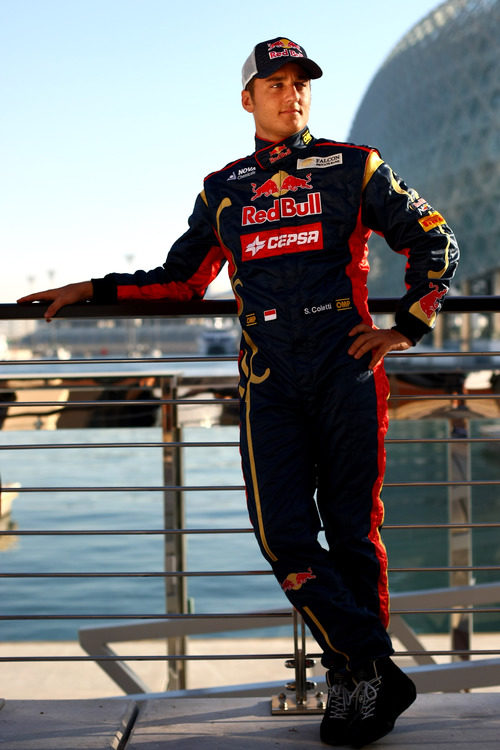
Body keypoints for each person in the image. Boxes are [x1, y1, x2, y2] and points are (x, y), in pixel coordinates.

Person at [18, 37, 459, 747]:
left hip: (348, 373)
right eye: (276, 83)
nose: (292, 95)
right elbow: (179, 280)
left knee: (353, 533)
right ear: (248, 98)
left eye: (301, 84)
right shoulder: (224, 189)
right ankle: (374, 661)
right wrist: (92, 288)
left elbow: (435, 241)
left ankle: (356, 685)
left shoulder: (354, 167)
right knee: (282, 536)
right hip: (269, 385)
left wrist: (405, 327)